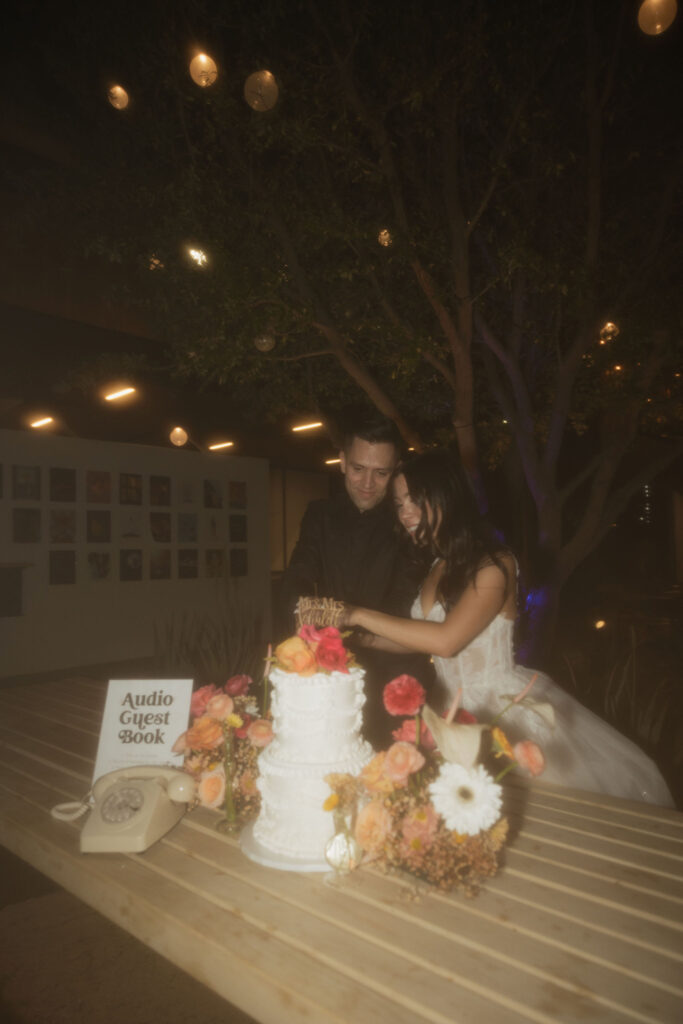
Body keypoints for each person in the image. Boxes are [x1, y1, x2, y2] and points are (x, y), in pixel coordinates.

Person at [342, 449, 674, 806]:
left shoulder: (495, 563)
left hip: (501, 709)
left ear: (447, 498)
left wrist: (357, 613)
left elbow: (446, 641)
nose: (406, 511)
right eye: (399, 502)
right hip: (449, 709)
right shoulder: (437, 565)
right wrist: (352, 635)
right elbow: (419, 639)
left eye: (416, 500)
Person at [277, 413, 432, 745]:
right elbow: (297, 581)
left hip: (396, 678)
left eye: (381, 473)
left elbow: (401, 606)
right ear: (343, 461)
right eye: (359, 468)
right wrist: (305, 626)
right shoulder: (319, 514)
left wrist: (335, 627)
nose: (367, 483)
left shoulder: (408, 523)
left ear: (396, 469)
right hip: (328, 674)